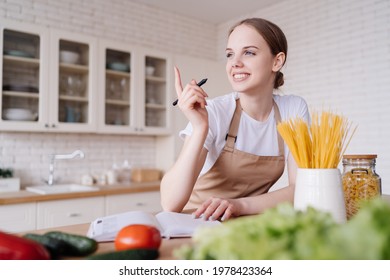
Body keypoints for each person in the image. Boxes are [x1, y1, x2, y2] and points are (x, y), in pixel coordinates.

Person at [160, 18, 310, 221]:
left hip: (247, 223)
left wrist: (239, 205)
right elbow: (169, 203)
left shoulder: (292, 109)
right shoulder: (214, 111)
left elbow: (301, 189)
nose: (235, 63)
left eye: (249, 52)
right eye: (230, 54)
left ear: (277, 61)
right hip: (195, 224)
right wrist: (199, 127)